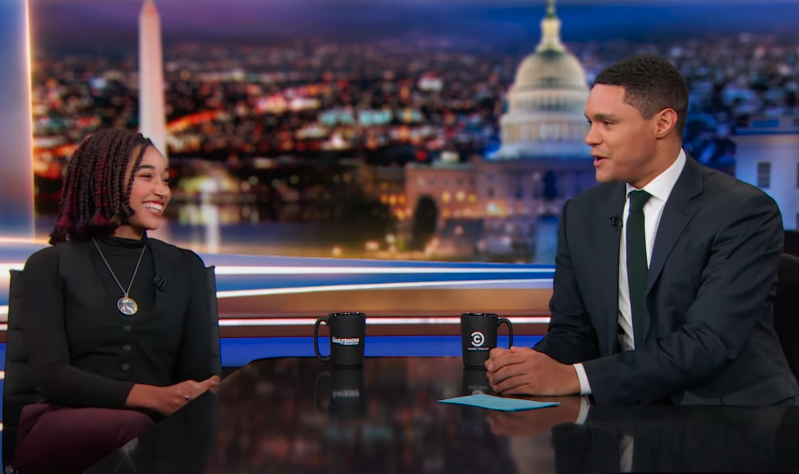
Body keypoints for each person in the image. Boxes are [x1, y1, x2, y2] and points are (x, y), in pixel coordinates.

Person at [485, 54, 799, 405]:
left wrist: (574, 377)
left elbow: (707, 344)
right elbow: (574, 333)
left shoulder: (743, 212)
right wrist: (526, 367)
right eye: (589, 122)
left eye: (607, 123)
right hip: (624, 409)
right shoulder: (582, 213)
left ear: (662, 123)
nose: (589, 138)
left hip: (730, 421)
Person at [15, 129, 220, 473]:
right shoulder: (49, 265)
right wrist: (154, 398)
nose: (162, 190)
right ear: (103, 180)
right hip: (60, 421)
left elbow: (198, 373)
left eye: (166, 180)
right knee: (135, 431)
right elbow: (53, 376)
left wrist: (195, 393)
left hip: (157, 427)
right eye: (146, 177)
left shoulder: (186, 267)